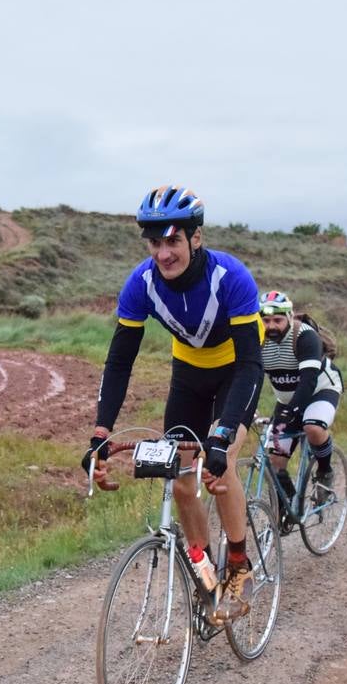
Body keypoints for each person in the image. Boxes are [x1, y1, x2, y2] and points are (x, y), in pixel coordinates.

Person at [83, 185, 263, 623]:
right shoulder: (140, 284)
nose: (164, 253)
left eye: (173, 240)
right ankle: (205, 574)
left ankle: (239, 564)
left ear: (194, 238)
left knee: (222, 463)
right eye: (155, 243)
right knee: (182, 477)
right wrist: (101, 432)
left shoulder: (230, 277)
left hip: (238, 369)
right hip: (189, 372)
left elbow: (249, 365)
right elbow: (120, 360)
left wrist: (221, 437)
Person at [257, 290, 343, 534]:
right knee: (274, 461)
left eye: (277, 320)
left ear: (289, 317)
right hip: (286, 399)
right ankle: (291, 505)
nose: (271, 326)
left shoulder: (305, 337)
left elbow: (308, 382)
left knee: (313, 427)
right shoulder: (257, 340)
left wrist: (293, 412)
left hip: (320, 390)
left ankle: (325, 471)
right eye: (265, 320)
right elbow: (248, 377)